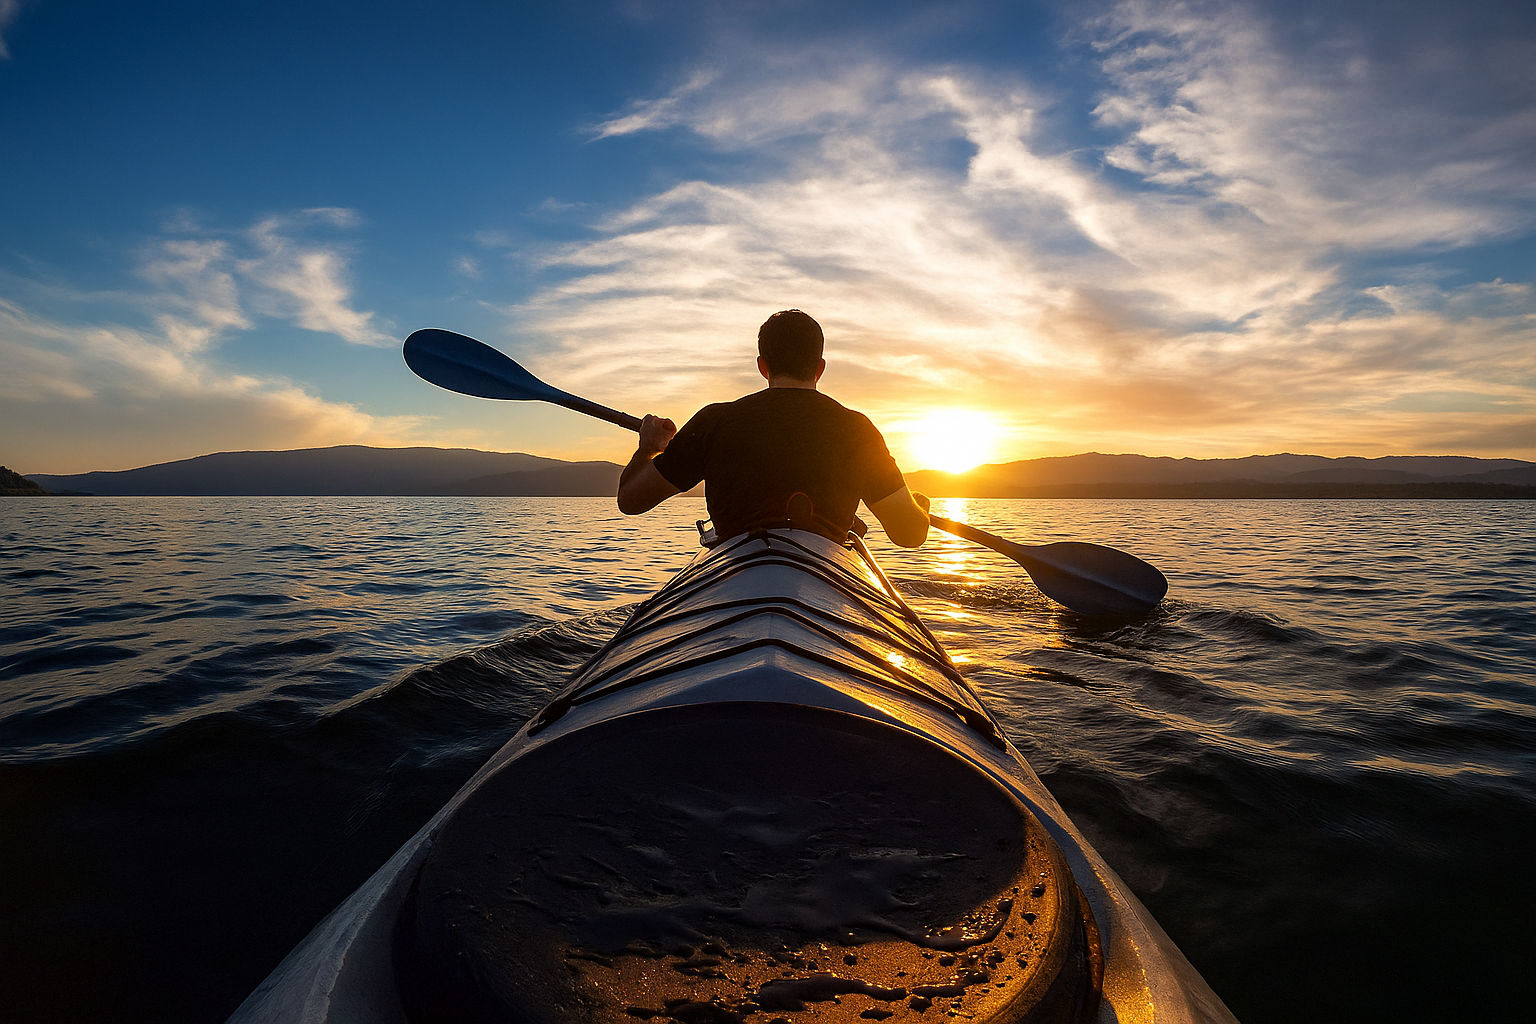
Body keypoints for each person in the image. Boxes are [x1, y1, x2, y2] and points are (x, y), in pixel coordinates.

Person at [617, 309, 930, 547]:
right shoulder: (856, 429)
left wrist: (650, 448)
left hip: (736, 565)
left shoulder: (713, 421)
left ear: (762, 365)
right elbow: (910, 534)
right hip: (823, 568)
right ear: (820, 367)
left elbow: (631, 501)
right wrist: (920, 507)